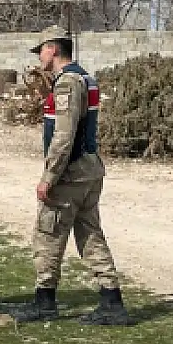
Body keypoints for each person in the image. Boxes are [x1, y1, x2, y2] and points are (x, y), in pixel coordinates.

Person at [17, 32, 131, 325]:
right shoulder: (85, 78)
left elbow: (64, 135)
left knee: (48, 233)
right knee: (90, 233)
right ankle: (111, 299)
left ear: (53, 49)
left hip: (71, 173)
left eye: (41, 51)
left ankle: (45, 300)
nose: (39, 58)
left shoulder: (67, 82)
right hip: (89, 169)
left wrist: (49, 176)